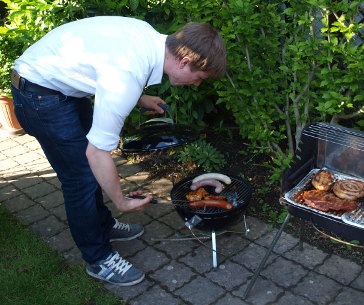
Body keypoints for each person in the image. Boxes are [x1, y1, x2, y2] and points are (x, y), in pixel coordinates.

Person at [10, 16, 226, 286]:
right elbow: (97, 153)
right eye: (199, 77)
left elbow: (109, 69)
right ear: (184, 62)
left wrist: (140, 96)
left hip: (60, 89)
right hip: (39, 95)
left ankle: (103, 225)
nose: (197, 84)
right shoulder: (127, 76)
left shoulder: (149, 38)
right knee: (81, 179)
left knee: (87, 175)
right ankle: (98, 258)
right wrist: (121, 201)